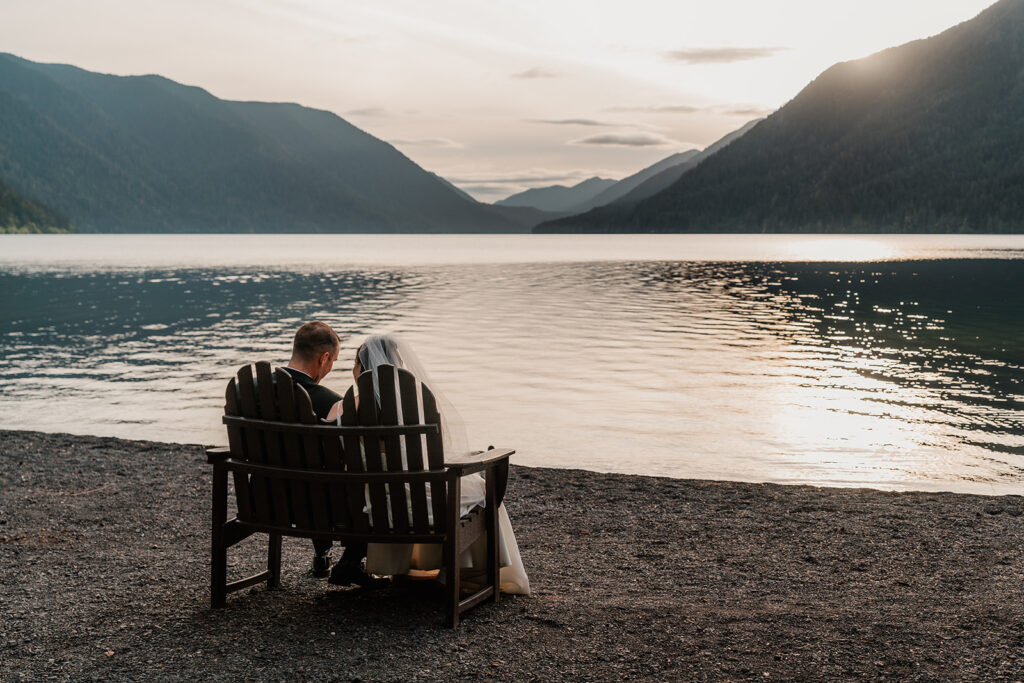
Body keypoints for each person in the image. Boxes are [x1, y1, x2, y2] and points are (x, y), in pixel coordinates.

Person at [331, 334, 530, 595]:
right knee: (482, 489)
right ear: (398, 365)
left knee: (408, 491)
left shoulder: (344, 409)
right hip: (421, 509)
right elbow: (431, 455)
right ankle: (457, 571)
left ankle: (408, 567)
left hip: (369, 508)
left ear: (361, 367)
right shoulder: (422, 402)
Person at [281, 321, 375, 587]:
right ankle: (345, 560)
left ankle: (322, 554)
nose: (331, 366)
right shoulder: (327, 402)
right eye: (333, 360)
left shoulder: (250, 391)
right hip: (315, 508)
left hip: (261, 501)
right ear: (324, 358)